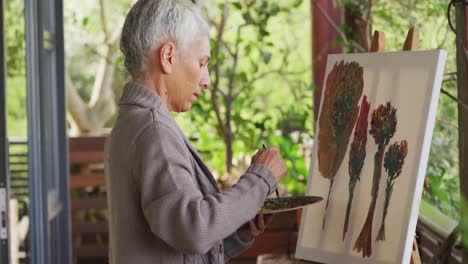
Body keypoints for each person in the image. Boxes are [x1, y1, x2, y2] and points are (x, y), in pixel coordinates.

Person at [105, 0, 288, 263]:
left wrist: (237, 229)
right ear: (168, 56)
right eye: (202, 63)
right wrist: (260, 179)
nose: (207, 80)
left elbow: (170, 235)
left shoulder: (131, 122)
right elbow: (194, 229)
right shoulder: (153, 130)